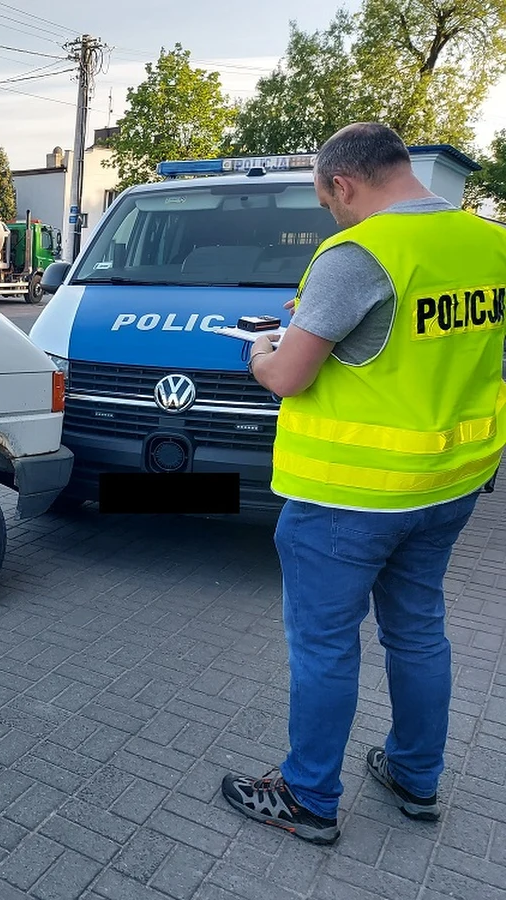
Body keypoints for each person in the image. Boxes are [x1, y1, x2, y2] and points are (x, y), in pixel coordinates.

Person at [219, 122, 506, 845]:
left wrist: (261, 350)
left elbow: (288, 378)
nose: (332, 215)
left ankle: (309, 797)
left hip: (350, 498)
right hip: (449, 485)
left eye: (327, 202)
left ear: (342, 184)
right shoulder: (490, 244)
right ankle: (416, 777)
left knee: (325, 648)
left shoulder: (359, 252)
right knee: (417, 632)